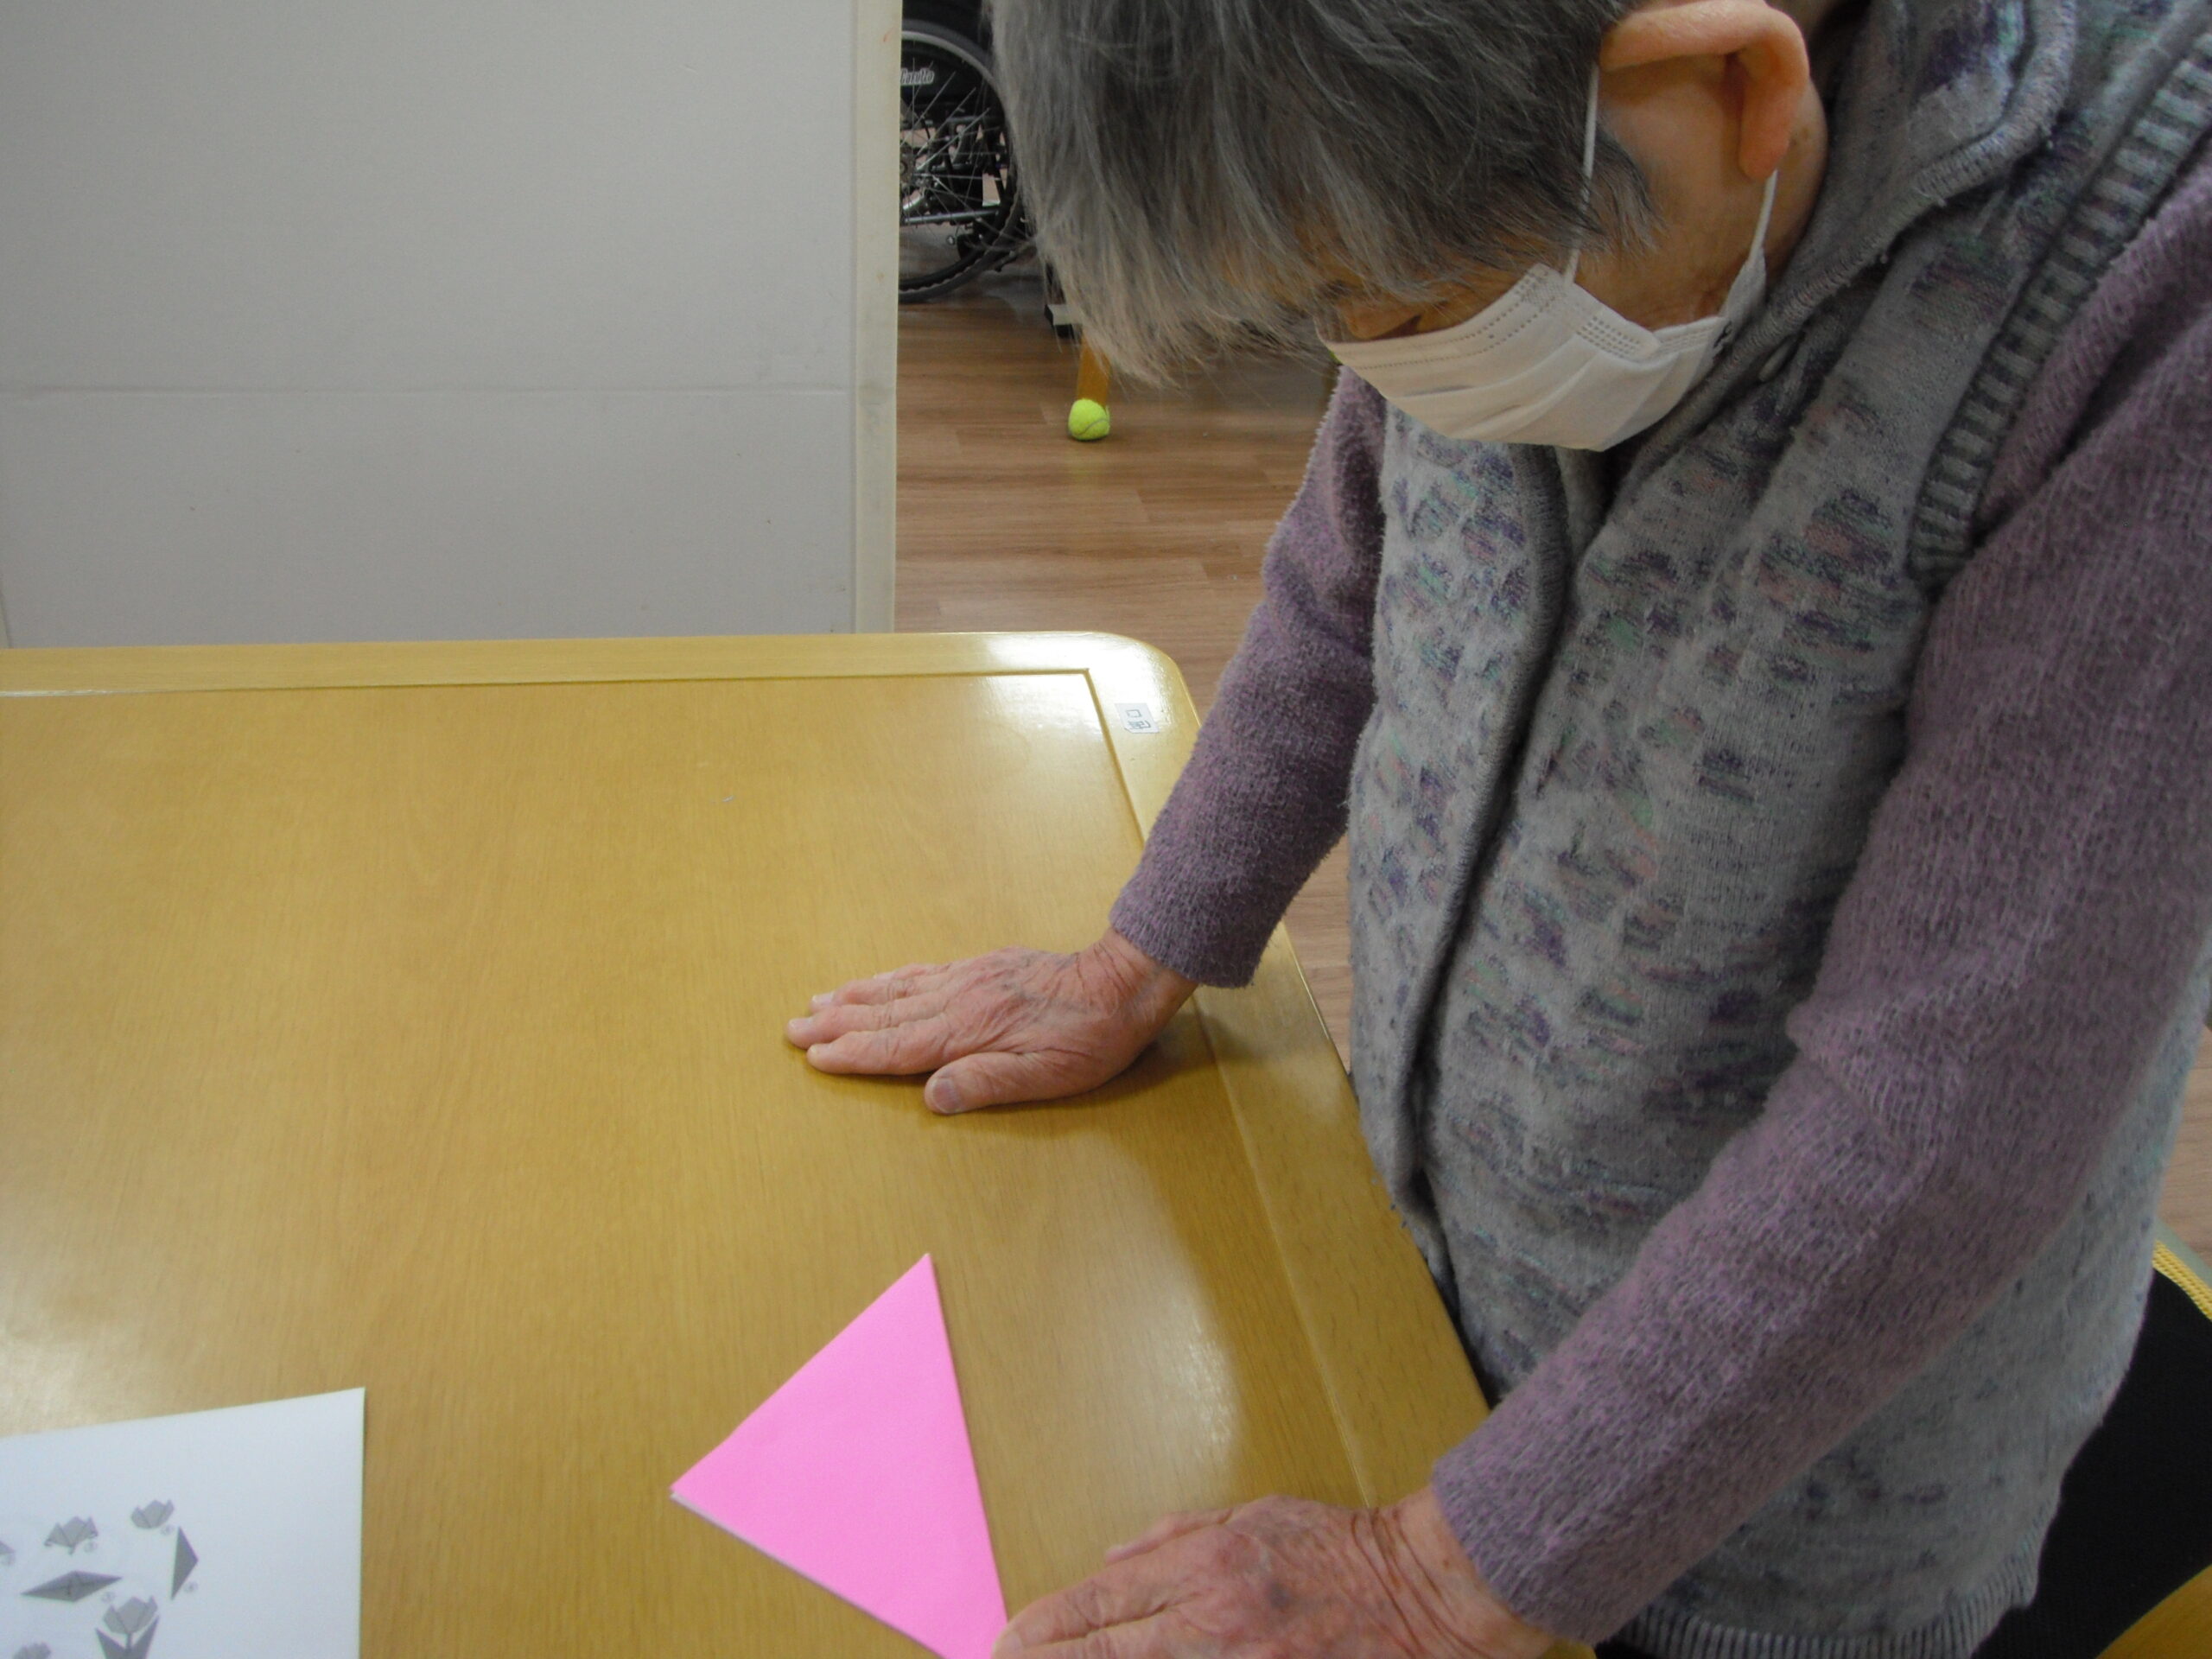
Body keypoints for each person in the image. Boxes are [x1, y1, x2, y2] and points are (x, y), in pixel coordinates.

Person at [787, 1, 2212, 1655]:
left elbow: (1950, 1112)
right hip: (1450, 1327)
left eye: (1407, 312)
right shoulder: (1494, 157)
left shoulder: (2146, 281)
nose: (1376, 364)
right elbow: (1349, 586)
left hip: (1788, 1515)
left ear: (1732, 79)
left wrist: (1435, 1576)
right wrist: (1140, 954)